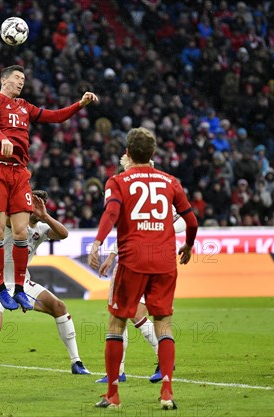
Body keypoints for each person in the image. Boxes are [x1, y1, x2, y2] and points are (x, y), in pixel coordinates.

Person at [87, 127, 198, 410]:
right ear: (153, 154)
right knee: (164, 323)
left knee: (116, 323)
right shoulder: (171, 181)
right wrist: (188, 246)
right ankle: (167, 393)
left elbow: (111, 212)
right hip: (163, 261)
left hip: (133, 259)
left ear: (127, 153)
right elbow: (192, 221)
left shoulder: (118, 181)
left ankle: (113, 395)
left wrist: (97, 242)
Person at [0, 64, 98, 311]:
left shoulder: (25, 107)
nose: (21, 82)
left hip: (19, 173)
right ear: (4, 80)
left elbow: (55, 116)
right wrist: (2, 139)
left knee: (22, 232)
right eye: (16, 78)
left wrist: (79, 105)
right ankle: (0, 287)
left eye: (23, 79)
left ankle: (20, 289)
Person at [0, 190, 90, 377]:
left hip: (22, 284)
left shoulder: (41, 229)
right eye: (36, 204)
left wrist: (45, 216)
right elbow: (7, 217)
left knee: (59, 307)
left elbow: (63, 234)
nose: (39, 208)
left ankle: (76, 362)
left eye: (43, 204)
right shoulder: (12, 222)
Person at [94, 155, 188, 384]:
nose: (123, 162)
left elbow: (184, 220)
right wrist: (113, 256)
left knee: (129, 313)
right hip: (137, 257)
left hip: (149, 260)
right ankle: (120, 371)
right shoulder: (135, 185)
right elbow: (131, 227)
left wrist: (160, 230)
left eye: (126, 159)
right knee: (124, 313)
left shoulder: (153, 185)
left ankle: (160, 361)